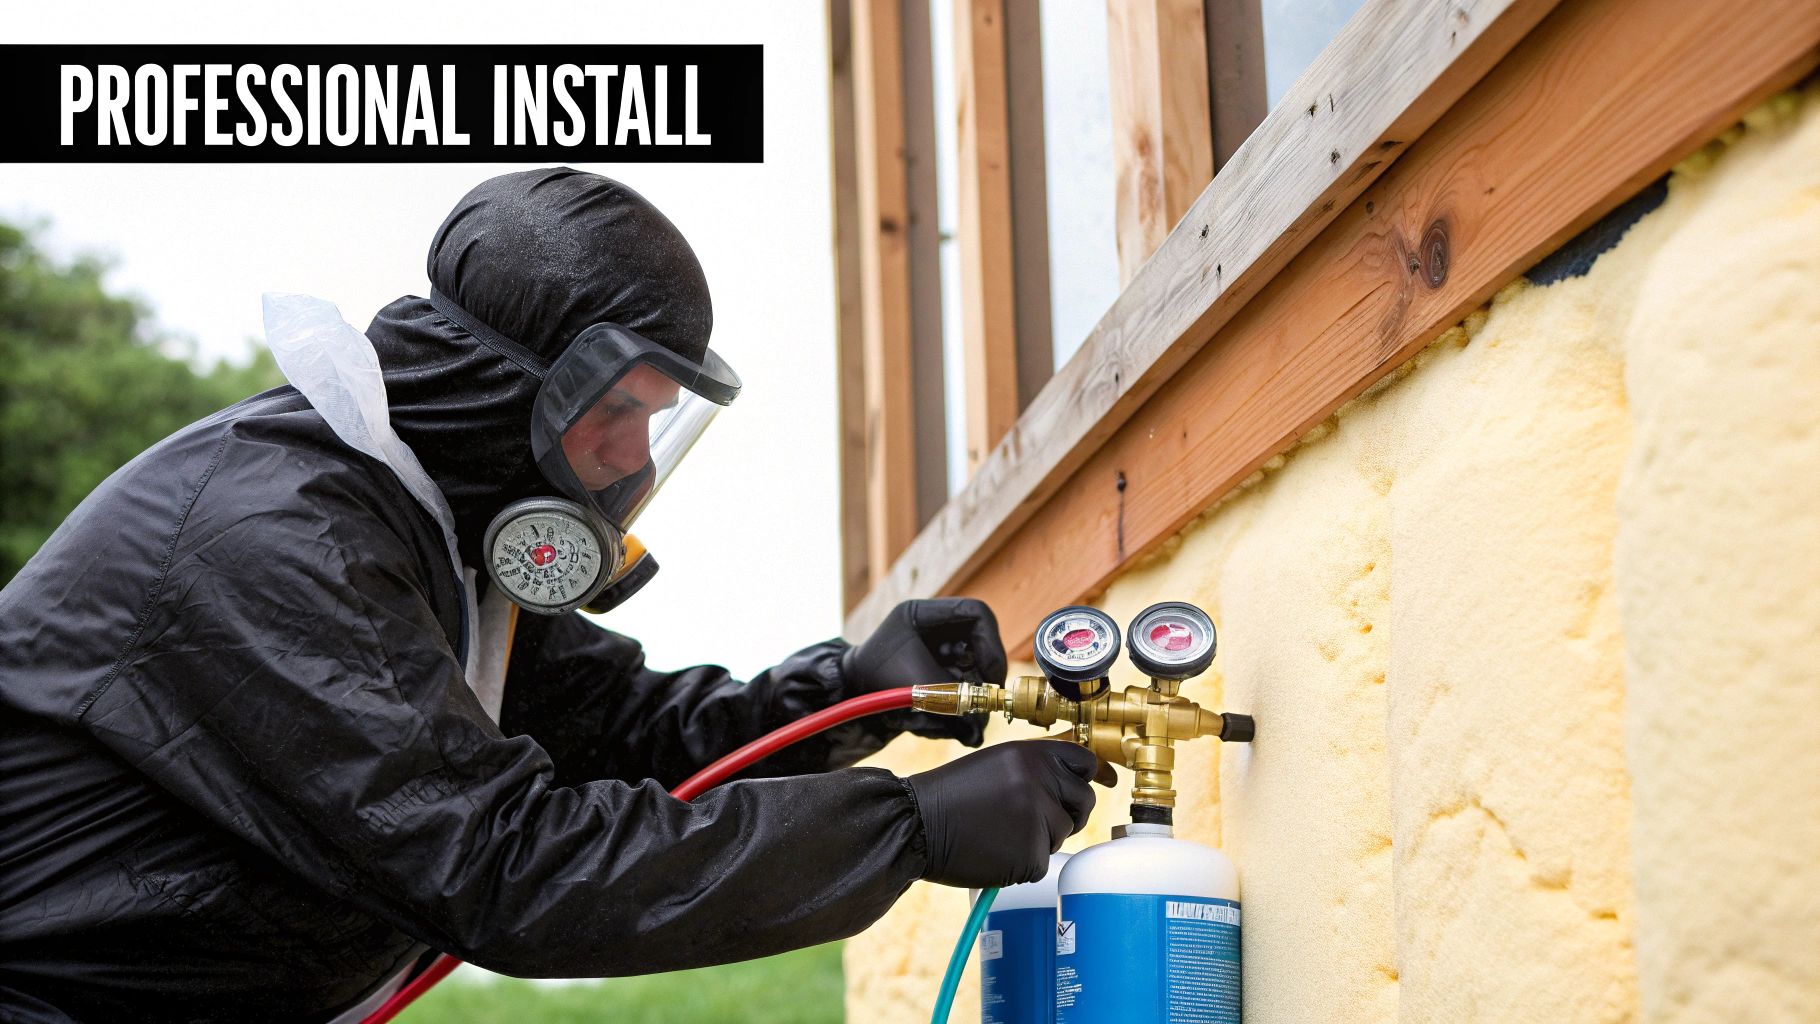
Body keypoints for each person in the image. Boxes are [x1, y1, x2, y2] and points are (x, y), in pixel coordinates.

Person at [0, 168, 1100, 1023]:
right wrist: (905, 827)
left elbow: (625, 733)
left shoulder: (440, 533)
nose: (627, 461)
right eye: (615, 407)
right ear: (497, 383)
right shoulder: (279, 538)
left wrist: (849, 693)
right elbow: (506, 865)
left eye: (655, 417)